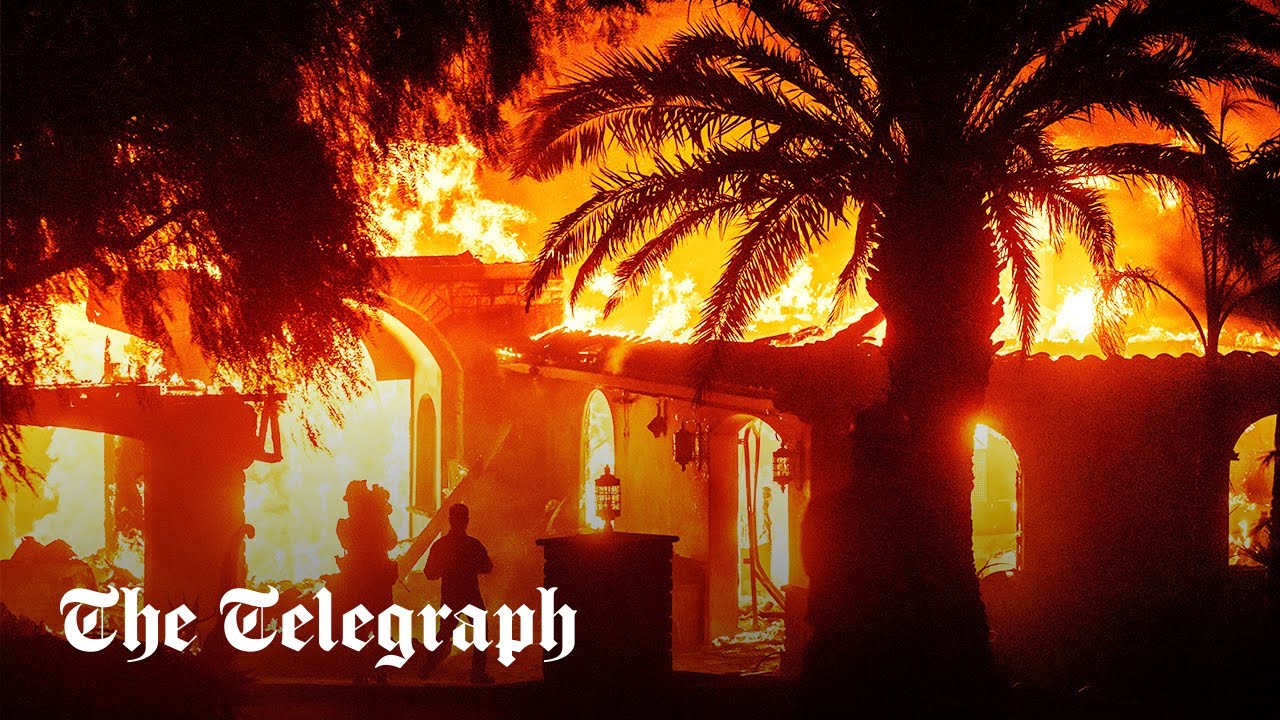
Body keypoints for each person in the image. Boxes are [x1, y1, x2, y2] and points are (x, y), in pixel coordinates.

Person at [419, 502, 494, 683]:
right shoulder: (473, 544)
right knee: (481, 632)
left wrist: (443, 571)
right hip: (470, 595)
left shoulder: (440, 545)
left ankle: (426, 669)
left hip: (450, 596)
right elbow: (487, 567)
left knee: (444, 633)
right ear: (466, 521)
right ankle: (477, 674)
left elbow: (430, 573)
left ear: (450, 520)